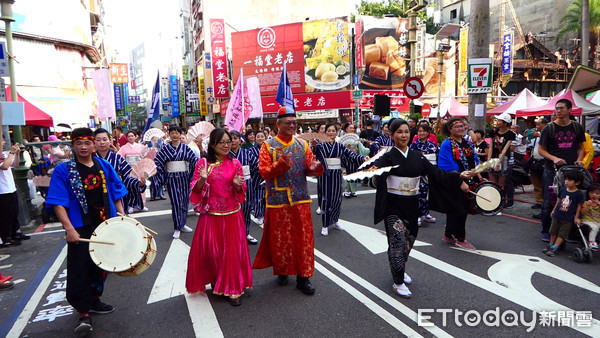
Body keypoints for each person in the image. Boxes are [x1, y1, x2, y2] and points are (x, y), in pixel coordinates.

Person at [45, 128, 127, 334]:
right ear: (72, 145)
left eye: (87, 143)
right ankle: (83, 312)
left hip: (105, 224)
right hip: (79, 227)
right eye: (78, 143)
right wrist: (69, 228)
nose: (83, 147)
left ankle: (94, 300)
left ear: (93, 145)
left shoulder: (104, 166)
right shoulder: (64, 170)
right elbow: (58, 202)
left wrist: (121, 214)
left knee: (101, 266)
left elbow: (116, 192)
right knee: (79, 269)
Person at [372, 119, 466, 298]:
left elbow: (437, 174)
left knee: (409, 240)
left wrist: (459, 177)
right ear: (392, 135)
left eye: (406, 131)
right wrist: (375, 172)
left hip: (412, 204)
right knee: (398, 242)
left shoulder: (417, 156)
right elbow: (374, 175)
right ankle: (398, 280)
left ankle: (399, 267)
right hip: (393, 206)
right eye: (399, 132)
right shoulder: (387, 156)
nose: (403, 135)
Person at [252, 106, 324, 295]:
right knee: (281, 239)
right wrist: (282, 164)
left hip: (300, 199)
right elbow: (264, 171)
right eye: (288, 122)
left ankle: (304, 277)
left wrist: (314, 167)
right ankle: (282, 270)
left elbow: (309, 168)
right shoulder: (268, 146)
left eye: (294, 122)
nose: (292, 126)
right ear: (278, 124)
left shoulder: (303, 145)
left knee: (303, 240)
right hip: (277, 199)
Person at [186, 128, 252, 306]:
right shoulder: (203, 163)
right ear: (213, 144)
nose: (226, 145)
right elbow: (196, 190)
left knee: (232, 254)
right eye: (221, 142)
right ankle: (217, 280)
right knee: (212, 253)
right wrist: (202, 179)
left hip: (232, 214)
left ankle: (233, 289)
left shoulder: (235, 163)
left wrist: (238, 185)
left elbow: (241, 191)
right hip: (211, 215)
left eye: (228, 141)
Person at [538, 99, 586, 242]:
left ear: (569, 110)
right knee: (548, 201)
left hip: (571, 171)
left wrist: (579, 159)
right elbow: (541, 150)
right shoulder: (549, 128)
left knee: (571, 201)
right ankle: (546, 230)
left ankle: (568, 231)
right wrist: (553, 158)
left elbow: (580, 147)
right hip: (551, 170)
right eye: (556, 108)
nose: (558, 111)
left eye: (561, 108)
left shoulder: (577, 127)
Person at [438, 117, 485, 250]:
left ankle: (448, 234)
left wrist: (479, 176)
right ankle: (460, 238)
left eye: (461, 126)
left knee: (456, 209)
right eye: (456, 127)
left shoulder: (467, 142)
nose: (460, 129)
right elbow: (447, 165)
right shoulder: (447, 144)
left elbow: (474, 160)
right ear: (450, 129)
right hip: (455, 180)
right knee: (460, 210)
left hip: (468, 178)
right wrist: (460, 182)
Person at [314, 123, 366, 236]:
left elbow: (351, 155)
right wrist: (314, 147)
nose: (331, 132)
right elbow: (316, 155)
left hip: (337, 173)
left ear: (336, 132)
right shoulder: (320, 146)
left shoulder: (340, 146)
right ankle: (325, 224)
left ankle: (335, 220)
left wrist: (362, 158)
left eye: (333, 131)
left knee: (337, 198)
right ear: (325, 132)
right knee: (326, 199)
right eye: (329, 131)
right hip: (325, 175)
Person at [154, 126, 199, 239]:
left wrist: (190, 175)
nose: (174, 135)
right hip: (171, 178)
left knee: (184, 202)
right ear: (169, 135)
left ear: (180, 134)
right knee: (175, 202)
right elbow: (158, 162)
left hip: (184, 177)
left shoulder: (186, 148)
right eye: (172, 133)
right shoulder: (164, 149)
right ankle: (177, 227)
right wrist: (163, 176)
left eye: (177, 133)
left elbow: (194, 161)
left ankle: (182, 224)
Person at [93, 128, 146, 216]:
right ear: (94, 143)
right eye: (98, 140)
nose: (102, 142)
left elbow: (127, 177)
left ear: (110, 141)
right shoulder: (91, 160)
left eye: (105, 139)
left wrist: (139, 183)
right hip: (97, 197)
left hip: (117, 196)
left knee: (120, 222)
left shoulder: (118, 158)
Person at [543, 170, 585, 257]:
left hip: (568, 217)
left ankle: (555, 247)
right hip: (558, 214)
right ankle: (550, 245)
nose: (566, 182)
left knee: (562, 233)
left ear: (577, 183)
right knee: (553, 231)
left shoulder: (579, 194)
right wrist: (553, 210)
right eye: (565, 179)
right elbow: (558, 201)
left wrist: (576, 217)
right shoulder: (562, 190)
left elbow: (579, 206)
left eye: (569, 180)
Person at [229, 130, 259, 244]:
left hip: (247, 184)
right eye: (230, 139)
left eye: (235, 138)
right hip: (230, 186)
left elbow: (256, 166)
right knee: (233, 211)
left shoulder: (247, 153)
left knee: (246, 210)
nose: (233, 141)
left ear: (239, 140)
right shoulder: (226, 156)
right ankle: (234, 235)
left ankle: (246, 233)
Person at [0, 140, 29, 247]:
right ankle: (5, 237)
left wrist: (16, 154)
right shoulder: (6, 155)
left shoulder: (6, 154)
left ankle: (15, 232)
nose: (4, 143)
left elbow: (15, 165)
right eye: (1, 142)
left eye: (4, 141)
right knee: (5, 215)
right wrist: (12, 153)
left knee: (14, 213)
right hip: (2, 191)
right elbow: (4, 166)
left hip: (10, 188)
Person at [410, 124, 439, 226]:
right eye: (419, 131)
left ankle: (426, 213)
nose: (421, 133)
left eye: (423, 131)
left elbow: (437, 158)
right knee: (419, 194)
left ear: (428, 132)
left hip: (431, 172)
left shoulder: (433, 145)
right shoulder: (414, 145)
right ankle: (417, 215)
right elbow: (412, 160)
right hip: (419, 173)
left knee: (428, 194)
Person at [487, 112, 516, 208]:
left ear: (505, 123)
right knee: (492, 181)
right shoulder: (494, 132)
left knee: (501, 183)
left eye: (500, 120)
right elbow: (490, 147)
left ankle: (499, 202)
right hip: (493, 157)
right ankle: (492, 200)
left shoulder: (511, 134)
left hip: (504, 159)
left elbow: (505, 150)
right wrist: (488, 161)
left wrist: (499, 162)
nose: (497, 122)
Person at [117, 130, 148, 213]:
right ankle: (132, 205)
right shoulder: (123, 148)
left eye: (132, 136)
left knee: (141, 186)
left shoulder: (141, 147)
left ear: (135, 136)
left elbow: (145, 156)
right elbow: (119, 157)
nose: (130, 138)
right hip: (129, 169)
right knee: (130, 187)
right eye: (129, 136)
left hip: (139, 168)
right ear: (127, 138)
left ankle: (142, 205)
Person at [341, 123, 370, 192]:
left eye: (353, 128)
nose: (352, 129)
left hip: (355, 157)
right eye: (350, 128)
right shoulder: (342, 138)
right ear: (346, 129)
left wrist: (366, 149)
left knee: (354, 173)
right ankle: (347, 190)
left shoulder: (356, 137)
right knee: (347, 173)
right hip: (346, 157)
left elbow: (360, 147)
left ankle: (353, 191)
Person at [527, 118, 548, 214]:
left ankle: (545, 203)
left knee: (545, 184)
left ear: (545, 124)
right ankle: (539, 201)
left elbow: (550, 142)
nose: (537, 127)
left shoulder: (548, 133)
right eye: (536, 125)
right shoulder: (535, 135)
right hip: (535, 161)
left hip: (544, 162)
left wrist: (539, 135)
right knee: (536, 183)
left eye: (539, 124)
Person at [248, 130, 267, 225]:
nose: (260, 138)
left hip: (267, 175)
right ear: (255, 138)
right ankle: (260, 215)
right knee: (259, 197)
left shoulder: (269, 149)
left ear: (265, 137)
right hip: (256, 176)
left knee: (267, 196)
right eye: (258, 136)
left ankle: (267, 214)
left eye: (262, 136)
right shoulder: (251, 150)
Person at [580, 183, 600, 250]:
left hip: (597, 221)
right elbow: (582, 212)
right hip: (587, 220)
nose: (594, 195)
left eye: (597, 193)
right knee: (595, 227)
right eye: (592, 193)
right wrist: (588, 205)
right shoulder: (586, 203)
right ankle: (591, 242)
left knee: (596, 226)